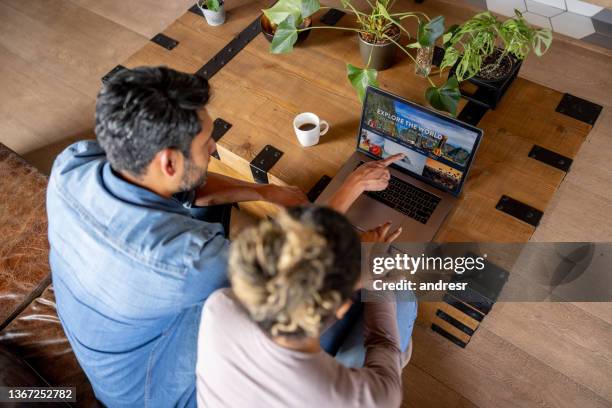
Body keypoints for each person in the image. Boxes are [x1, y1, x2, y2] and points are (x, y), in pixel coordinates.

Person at [46, 66, 404, 407]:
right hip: (155, 394)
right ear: (169, 162)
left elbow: (191, 188)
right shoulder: (193, 262)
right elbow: (291, 268)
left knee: (204, 206)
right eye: (207, 143)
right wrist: (352, 195)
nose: (216, 148)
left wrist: (264, 193)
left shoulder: (71, 165)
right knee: (393, 294)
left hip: (123, 342)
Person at [196, 206, 418, 407]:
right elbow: (383, 342)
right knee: (402, 294)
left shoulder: (220, 306)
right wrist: (374, 275)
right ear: (340, 308)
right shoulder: (369, 398)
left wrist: (355, 280)